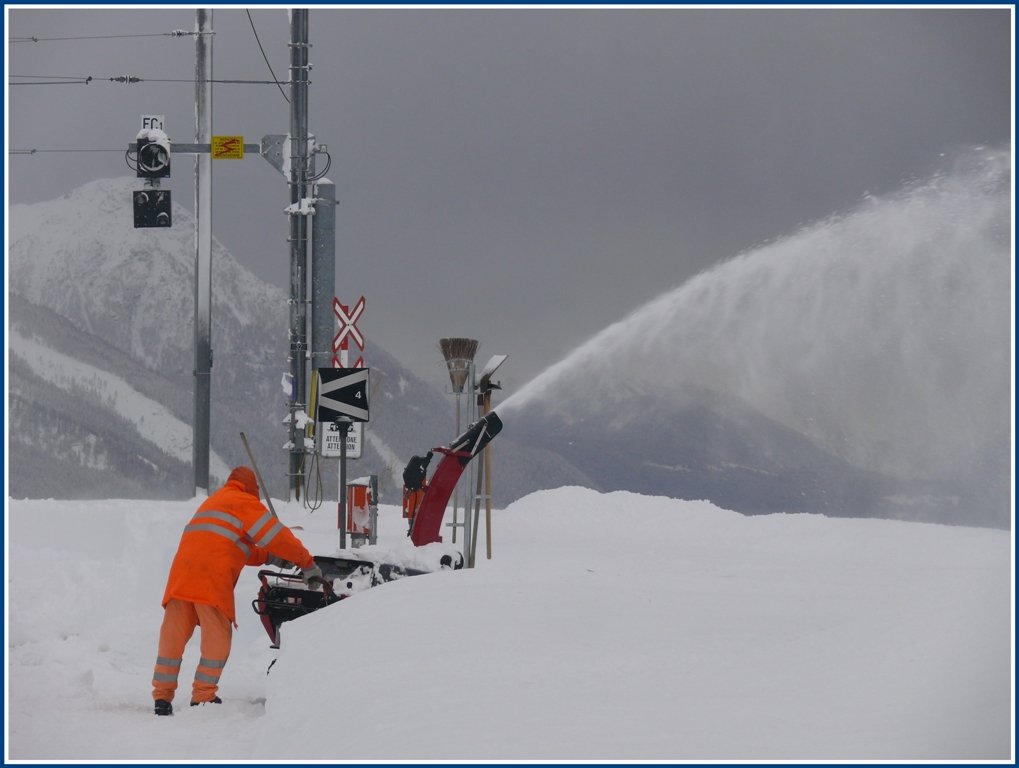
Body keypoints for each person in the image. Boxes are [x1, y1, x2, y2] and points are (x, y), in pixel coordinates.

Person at [151, 466, 322, 716]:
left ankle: (162, 698)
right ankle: (203, 695)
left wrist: (271, 558)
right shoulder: (243, 502)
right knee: (217, 639)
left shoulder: (214, 502)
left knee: (172, 639)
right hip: (210, 580)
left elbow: (235, 548)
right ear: (253, 489)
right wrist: (306, 562)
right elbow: (277, 536)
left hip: (181, 578)